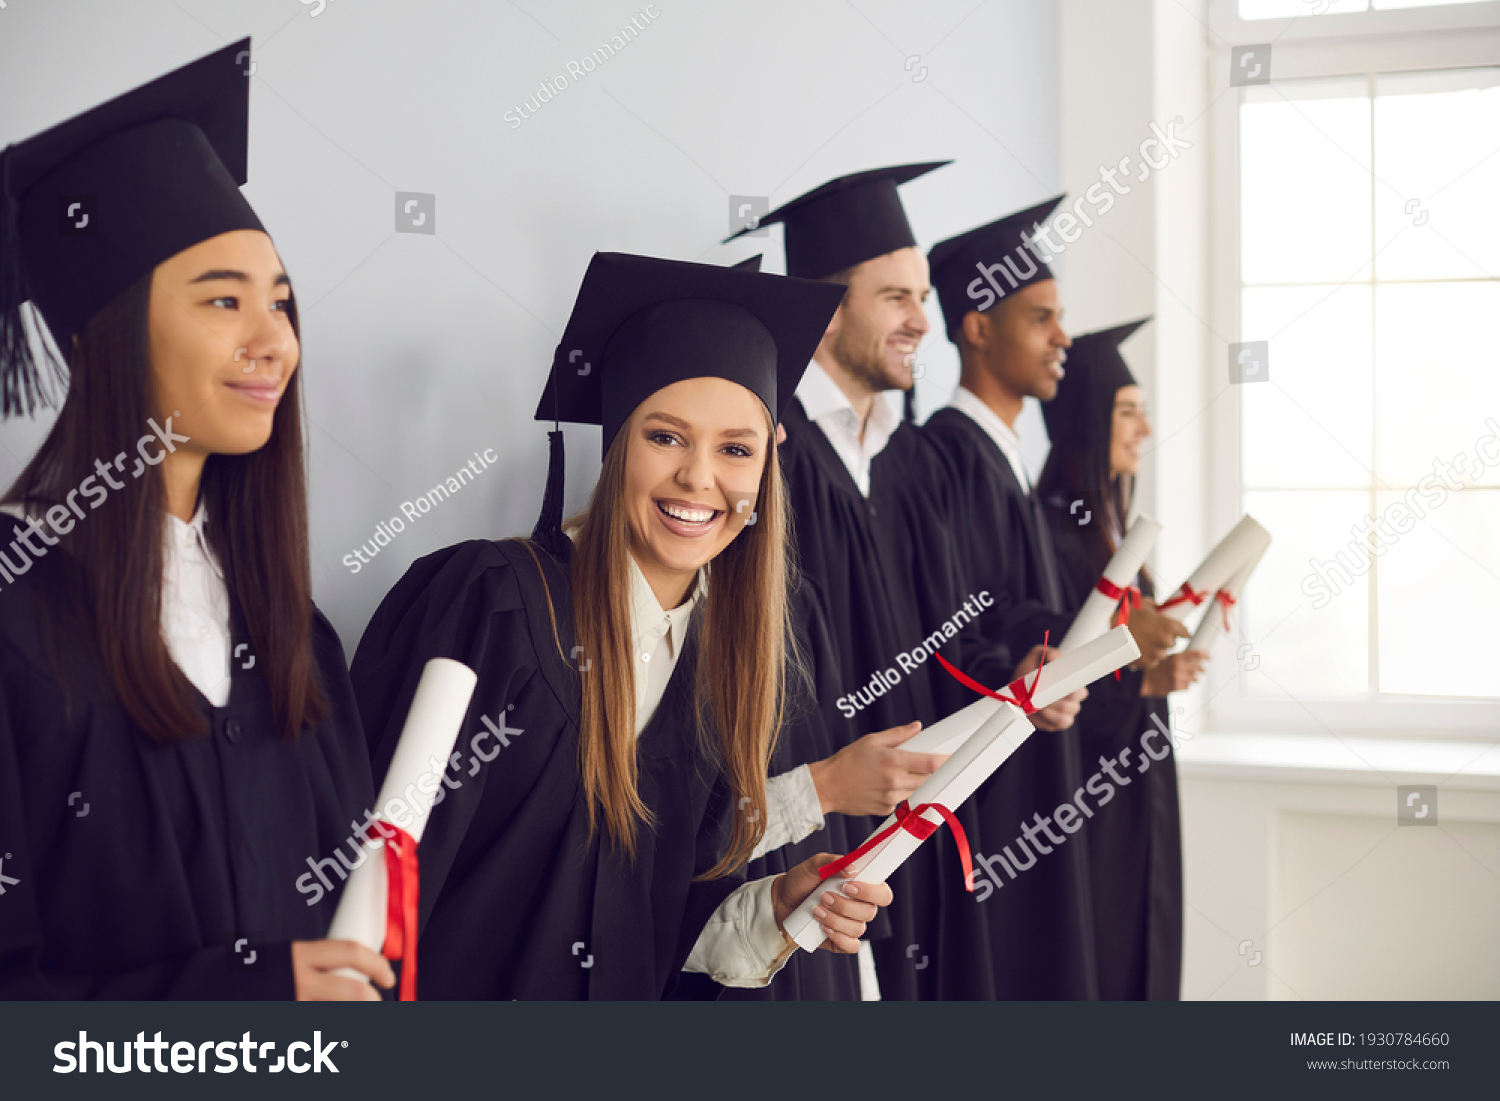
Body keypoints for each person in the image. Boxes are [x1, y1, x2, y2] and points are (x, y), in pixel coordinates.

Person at [350, 252, 893, 999]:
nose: (700, 478)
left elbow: (661, 925)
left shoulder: (719, 669)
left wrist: (776, 903)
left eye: (736, 449)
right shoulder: (491, 604)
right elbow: (362, 879)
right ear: (616, 442)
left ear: (769, 462)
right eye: (666, 437)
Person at [0, 41, 392, 1000]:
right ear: (108, 332)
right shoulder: (16, 607)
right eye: (225, 300)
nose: (275, 343)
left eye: (283, 304)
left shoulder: (292, 630)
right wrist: (256, 994)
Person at [728, 165, 1072, 1000]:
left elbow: (955, 626)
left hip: (918, 812)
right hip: (812, 835)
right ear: (826, 306)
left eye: (923, 295)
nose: (925, 320)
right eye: (896, 298)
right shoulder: (769, 455)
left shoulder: (910, 461)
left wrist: (1020, 665)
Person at [1036, 319, 1201, 1000]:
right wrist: (1132, 674)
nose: (1144, 429)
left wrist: (1151, 673)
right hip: (1087, 795)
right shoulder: (1049, 526)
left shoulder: (1105, 524)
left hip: (1137, 779)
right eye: (1127, 411)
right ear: (1085, 419)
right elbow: (1058, 671)